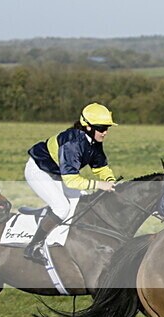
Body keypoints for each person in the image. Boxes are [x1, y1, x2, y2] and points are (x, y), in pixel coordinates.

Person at [23, 102, 118, 265]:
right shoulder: (72, 143)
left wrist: (110, 180)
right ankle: (33, 246)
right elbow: (72, 180)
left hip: (57, 172)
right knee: (62, 207)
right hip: (39, 170)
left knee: (84, 202)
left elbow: (101, 168)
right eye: (102, 128)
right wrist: (99, 185)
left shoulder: (93, 142)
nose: (105, 132)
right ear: (88, 127)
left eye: (107, 128)